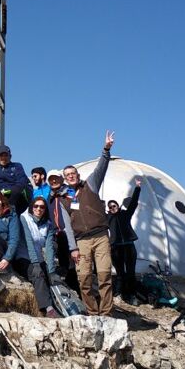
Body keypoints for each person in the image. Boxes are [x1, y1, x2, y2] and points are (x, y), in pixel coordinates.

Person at [0, 191, 57, 317]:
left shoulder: (12, 215)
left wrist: (6, 259)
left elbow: (14, 239)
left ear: (3, 200)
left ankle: (48, 309)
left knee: (37, 273)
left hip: (10, 252)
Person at [69, 131, 116, 317]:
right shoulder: (65, 197)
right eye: (68, 175)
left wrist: (106, 149)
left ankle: (106, 313)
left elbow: (101, 168)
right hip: (82, 241)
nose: (71, 176)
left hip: (99, 236)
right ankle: (92, 312)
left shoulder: (90, 185)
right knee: (84, 279)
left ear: (78, 175)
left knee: (104, 276)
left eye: (73, 174)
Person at [108, 178, 142, 304]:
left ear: (118, 206)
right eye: (110, 207)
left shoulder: (125, 214)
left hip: (128, 247)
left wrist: (137, 188)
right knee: (120, 273)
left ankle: (131, 295)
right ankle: (119, 294)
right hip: (116, 248)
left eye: (114, 206)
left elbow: (133, 203)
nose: (112, 208)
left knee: (130, 272)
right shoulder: (108, 218)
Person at [46, 169, 78, 289]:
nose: (53, 181)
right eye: (51, 179)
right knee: (65, 263)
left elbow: (76, 209)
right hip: (56, 233)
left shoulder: (69, 191)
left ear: (61, 179)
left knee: (73, 265)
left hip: (71, 232)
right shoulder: (50, 197)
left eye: (56, 178)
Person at [0, 144, 31, 213]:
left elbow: (21, 184)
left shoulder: (17, 166)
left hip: (18, 204)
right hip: (1, 205)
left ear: (10, 156)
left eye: (6, 155)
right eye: (1, 155)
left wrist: (7, 191)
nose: (3, 158)